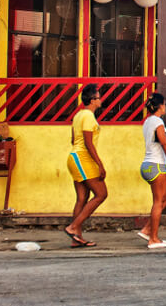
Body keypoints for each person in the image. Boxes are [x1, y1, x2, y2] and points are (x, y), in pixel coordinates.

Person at [64, 84, 107, 248]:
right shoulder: (88, 116)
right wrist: (100, 164)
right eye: (99, 97)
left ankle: (77, 238)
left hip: (75, 157)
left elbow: (73, 140)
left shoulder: (78, 115)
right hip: (83, 158)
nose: (101, 100)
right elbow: (88, 143)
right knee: (101, 194)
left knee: (82, 198)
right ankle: (73, 227)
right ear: (92, 100)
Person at [137, 93, 166, 248]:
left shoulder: (148, 121)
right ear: (160, 106)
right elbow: (164, 143)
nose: (165, 107)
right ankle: (153, 239)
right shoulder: (158, 122)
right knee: (157, 201)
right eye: (165, 105)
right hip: (156, 165)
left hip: (147, 164)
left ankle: (147, 229)